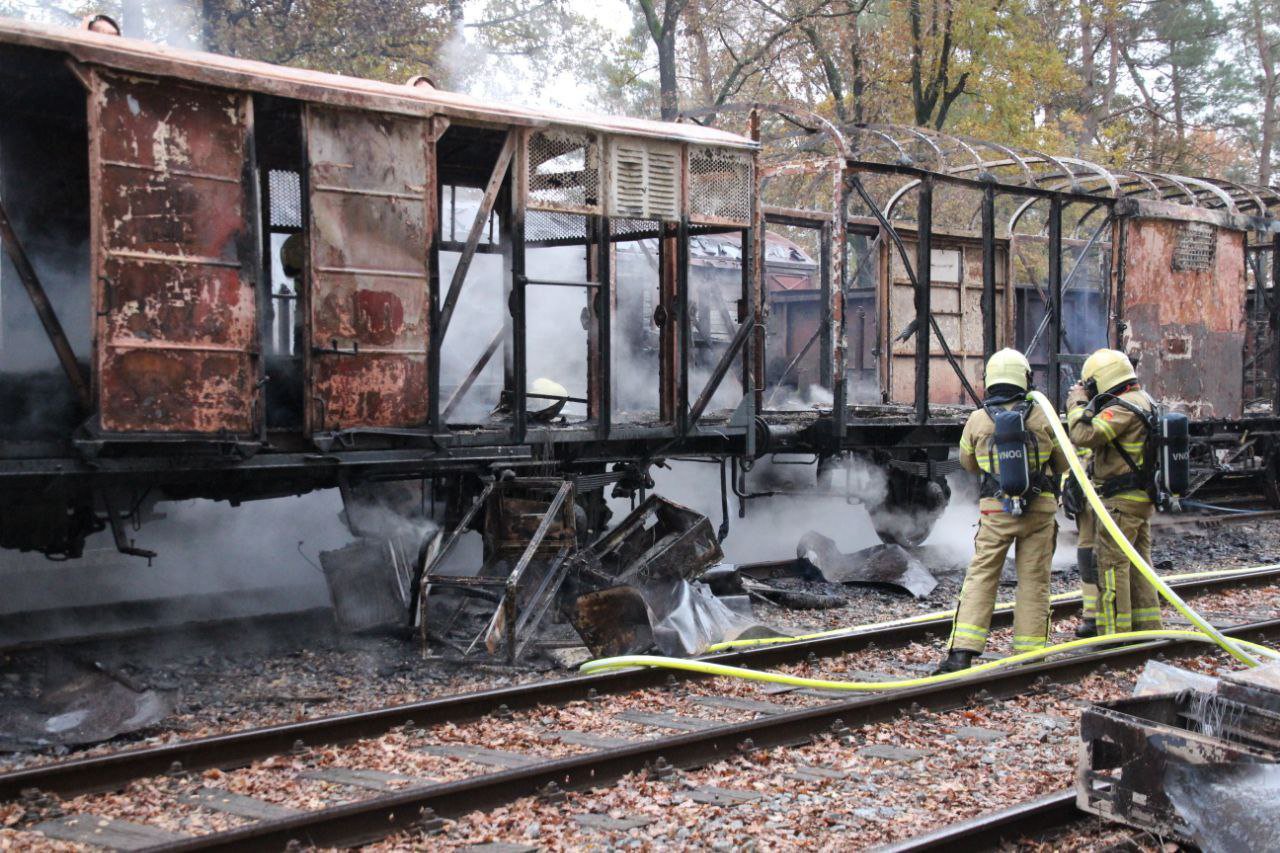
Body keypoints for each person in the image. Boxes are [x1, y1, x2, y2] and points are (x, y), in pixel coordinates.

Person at [936, 348, 1069, 673]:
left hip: (995, 513)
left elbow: (967, 464)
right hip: (1039, 512)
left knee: (982, 575)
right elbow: (1065, 462)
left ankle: (961, 653)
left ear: (990, 380)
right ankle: (1028, 655)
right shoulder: (1042, 416)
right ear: (1025, 378)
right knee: (1034, 581)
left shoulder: (978, 420)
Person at [1066, 349, 1162, 635]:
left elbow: (1084, 435)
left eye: (1092, 385)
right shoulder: (1144, 400)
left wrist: (1076, 403)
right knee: (1139, 566)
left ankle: (1114, 634)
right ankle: (1147, 626)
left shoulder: (1122, 408)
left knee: (1111, 565)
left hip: (1121, 501)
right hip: (1140, 499)